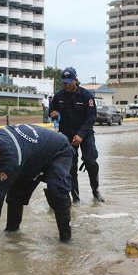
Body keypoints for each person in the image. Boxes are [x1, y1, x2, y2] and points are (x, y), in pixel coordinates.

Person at [0, 124, 74, 242]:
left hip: (58, 152)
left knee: (57, 192)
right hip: (30, 158)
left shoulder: (11, 156)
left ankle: (65, 241)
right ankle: (12, 234)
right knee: (14, 196)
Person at [49, 67, 104, 204]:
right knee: (71, 167)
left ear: (75, 80)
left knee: (91, 161)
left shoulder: (86, 96)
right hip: (67, 135)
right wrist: (53, 113)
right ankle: (75, 198)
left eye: (69, 82)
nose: (66, 85)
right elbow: (52, 110)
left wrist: (80, 135)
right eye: (64, 82)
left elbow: (91, 118)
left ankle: (95, 191)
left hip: (85, 134)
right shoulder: (59, 95)